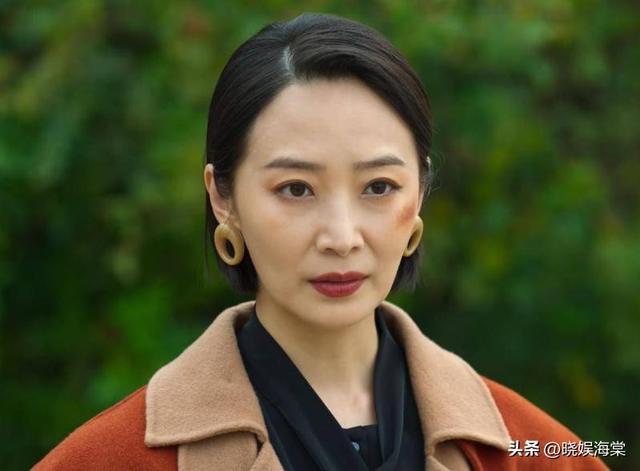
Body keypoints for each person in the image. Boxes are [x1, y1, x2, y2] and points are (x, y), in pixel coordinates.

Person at [33, 12, 610, 471]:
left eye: (379, 187)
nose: (341, 237)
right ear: (222, 197)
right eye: (296, 189)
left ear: (420, 193)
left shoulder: (534, 451)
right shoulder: (112, 458)